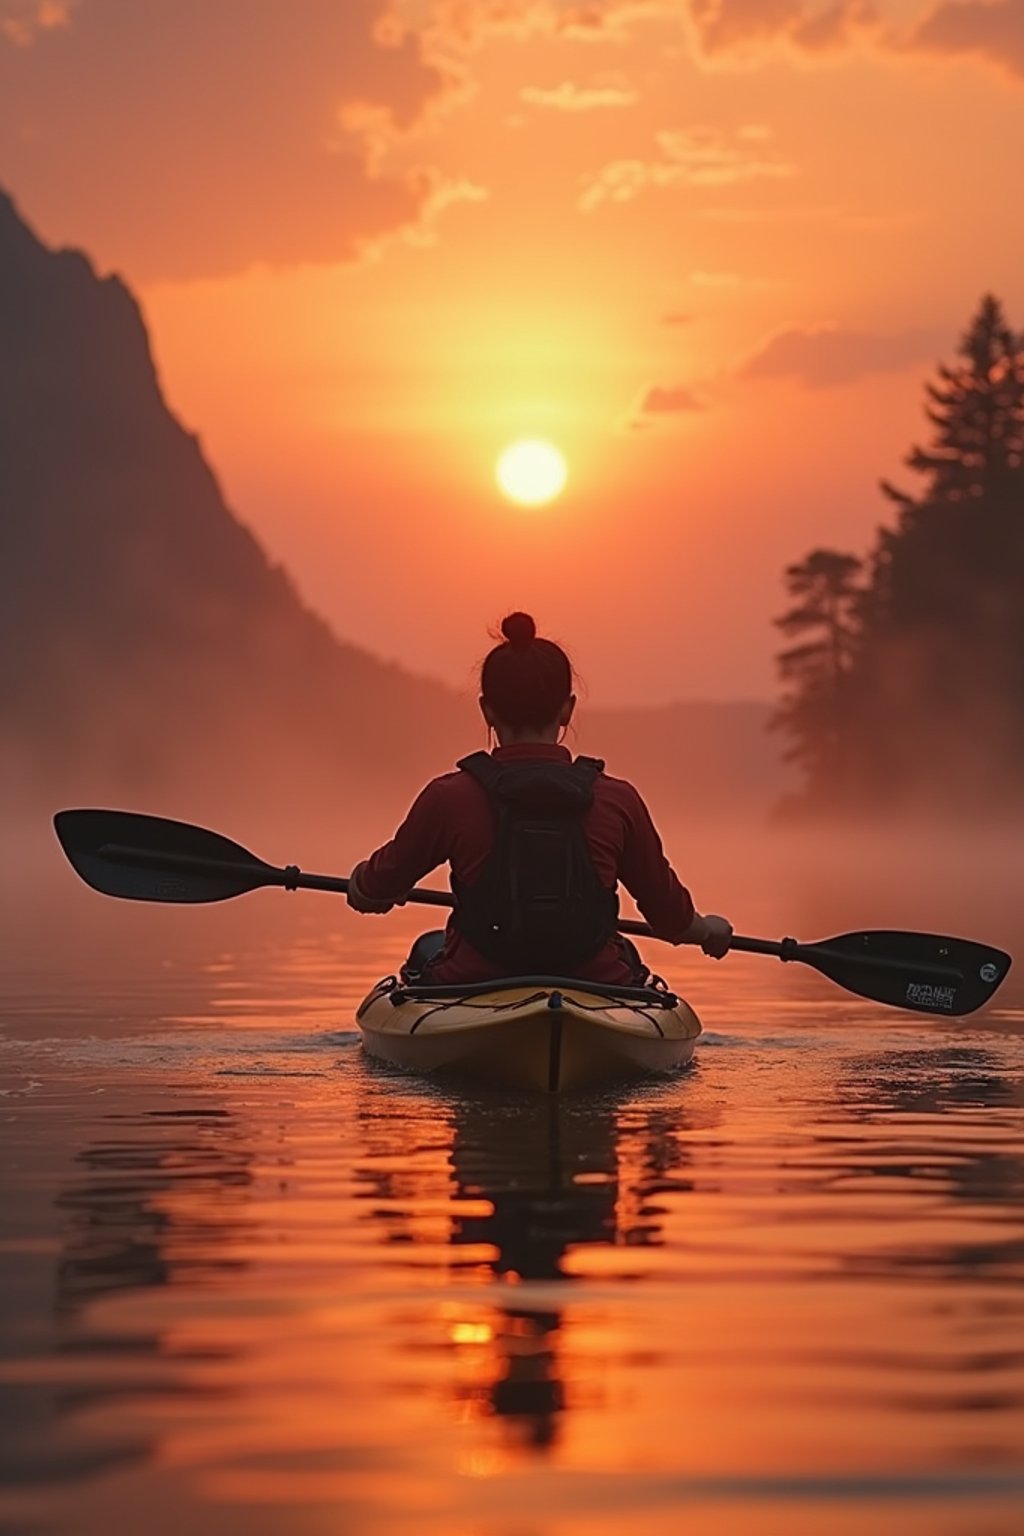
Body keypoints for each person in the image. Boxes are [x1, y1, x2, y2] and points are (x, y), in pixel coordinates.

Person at [347, 613, 732, 986]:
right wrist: (706, 930)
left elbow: (375, 888)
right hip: (596, 984)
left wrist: (364, 886)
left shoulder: (449, 798)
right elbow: (670, 919)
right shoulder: (618, 800)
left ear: (487, 710)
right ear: (567, 709)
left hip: (473, 983)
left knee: (425, 948)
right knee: (627, 953)